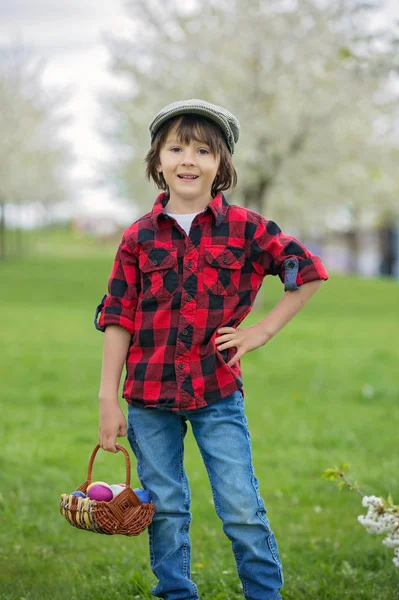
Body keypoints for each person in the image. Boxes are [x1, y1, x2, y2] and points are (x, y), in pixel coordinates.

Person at [94, 99, 329, 600]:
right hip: (148, 396)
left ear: (221, 164)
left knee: (241, 506)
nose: (188, 160)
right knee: (166, 504)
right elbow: (117, 317)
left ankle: (263, 594)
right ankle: (176, 592)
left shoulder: (247, 229)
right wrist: (107, 398)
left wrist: (260, 331)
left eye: (203, 150)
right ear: (157, 160)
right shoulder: (137, 238)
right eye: (176, 147)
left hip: (217, 391)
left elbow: (305, 273)